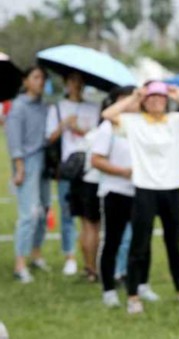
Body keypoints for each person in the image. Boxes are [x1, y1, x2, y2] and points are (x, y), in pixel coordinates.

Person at [102, 81, 179, 314]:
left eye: (160, 97)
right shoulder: (134, 122)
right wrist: (135, 96)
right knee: (139, 245)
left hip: (172, 189)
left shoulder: (177, 120)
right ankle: (133, 296)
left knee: (174, 245)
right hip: (144, 189)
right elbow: (108, 113)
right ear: (144, 101)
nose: (156, 101)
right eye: (151, 97)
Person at [93, 86, 159, 307]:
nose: (135, 102)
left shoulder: (143, 123)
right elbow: (97, 160)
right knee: (113, 240)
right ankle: (109, 289)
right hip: (115, 191)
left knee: (143, 241)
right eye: (130, 98)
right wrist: (123, 172)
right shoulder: (108, 126)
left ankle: (142, 284)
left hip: (142, 191)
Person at [46, 72, 101, 276]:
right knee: (67, 213)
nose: (75, 86)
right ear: (66, 84)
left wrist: (80, 129)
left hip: (89, 167)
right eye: (71, 81)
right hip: (68, 167)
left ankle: (92, 263)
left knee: (91, 218)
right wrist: (64, 125)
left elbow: (98, 136)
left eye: (79, 82)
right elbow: (50, 137)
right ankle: (69, 256)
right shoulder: (57, 108)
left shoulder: (93, 107)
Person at [6, 66, 51, 283]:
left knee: (44, 210)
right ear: (25, 81)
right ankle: (19, 264)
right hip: (27, 162)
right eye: (36, 77)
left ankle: (36, 253)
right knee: (28, 214)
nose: (40, 81)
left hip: (44, 161)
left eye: (42, 78)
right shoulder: (18, 107)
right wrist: (20, 168)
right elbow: (14, 141)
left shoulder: (44, 107)